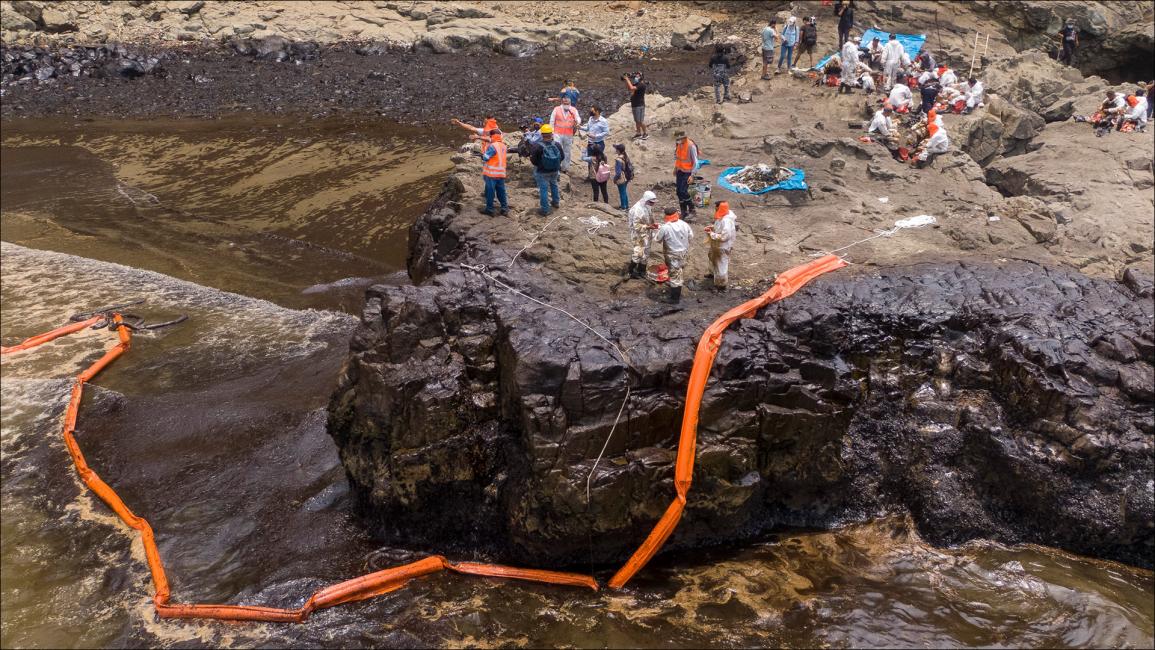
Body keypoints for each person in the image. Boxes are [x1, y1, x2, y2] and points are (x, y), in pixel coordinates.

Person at [652, 207, 693, 303]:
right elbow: (691, 236)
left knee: (674, 276)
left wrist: (656, 231)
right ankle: (677, 288)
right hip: (684, 252)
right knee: (679, 270)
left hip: (672, 254)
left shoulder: (665, 227)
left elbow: (657, 239)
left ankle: (675, 299)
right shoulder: (684, 224)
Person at [529, 124, 564, 216]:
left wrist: (539, 165)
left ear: (542, 134)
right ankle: (556, 202)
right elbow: (562, 157)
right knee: (554, 185)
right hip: (554, 170)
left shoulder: (537, 146)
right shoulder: (557, 144)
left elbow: (533, 160)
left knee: (543, 189)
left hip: (542, 171)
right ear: (551, 134)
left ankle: (545, 209)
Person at [705, 201, 736, 291]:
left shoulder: (727, 220)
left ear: (720, 208)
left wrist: (712, 234)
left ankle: (722, 285)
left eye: (716, 207)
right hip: (716, 243)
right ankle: (712, 273)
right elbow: (719, 226)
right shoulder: (723, 214)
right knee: (711, 256)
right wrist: (712, 227)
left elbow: (724, 236)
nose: (715, 209)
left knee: (721, 263)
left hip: (723, 245)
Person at [626, 190, 657, 278]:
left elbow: (650, 216)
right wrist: (649, 227)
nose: (653, 204)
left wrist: (653, 224)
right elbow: (636, 226)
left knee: (646, 252)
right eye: (651, 202)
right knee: (638, 253)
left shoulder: (647, 206)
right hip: (638, 234)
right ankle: (630, 272)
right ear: (646, 200)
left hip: (647, 232)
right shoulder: (637, 210)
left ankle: (641, 271)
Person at [479, 130, 509, 216]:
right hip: (501, 173)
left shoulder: (493, 146)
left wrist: (482, 155)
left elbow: (486, 157)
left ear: (492, 136)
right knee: (501, 191)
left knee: (490, 191)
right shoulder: (503, 146)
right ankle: (504, 208)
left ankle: (489, 209)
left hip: (491, 173)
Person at [549, 96, 581, 172]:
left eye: (567, 100)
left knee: (567, 151)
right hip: (557, 134)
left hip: (568, 134)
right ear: (562, 101)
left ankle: (565, 168)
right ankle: (556, 166)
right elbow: (552, 121)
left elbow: (578, 118)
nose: (566, 101)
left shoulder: (573, 110)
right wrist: (552, 133)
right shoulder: (556, 109)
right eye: (564, 100)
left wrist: (578, 122)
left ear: (570, 102)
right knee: (556, 150)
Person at [673, 130, 699, 221]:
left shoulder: (691, 146)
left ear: (683, 138)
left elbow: (696, 162)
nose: (677, 141)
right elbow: (678, 157)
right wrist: (675, 168)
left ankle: (692, 210)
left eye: (678, 139)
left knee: (684, 191)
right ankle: (683, 211)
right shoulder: (679, 144)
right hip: (680, 170)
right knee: (678, 192)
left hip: (688, 172)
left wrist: (692, 175)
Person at [624, 72, 648, 140]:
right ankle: (638, 133)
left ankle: (645, 133)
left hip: (639, 105)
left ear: (641, 77)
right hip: (635, 105)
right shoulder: (637, 84)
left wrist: (627, 79)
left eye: (637, 76)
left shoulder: (641, 85)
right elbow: (629, 88)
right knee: (637, 121)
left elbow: (631, 88)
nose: (635, 77)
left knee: (640, 121)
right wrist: (626, 80)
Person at [612, 143, 633, 210]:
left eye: (616, 149)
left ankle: (623, 207)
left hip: (622, 178)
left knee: (622, 192)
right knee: (624, 191)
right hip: (627, 176)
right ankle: (626, 206)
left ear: (618, 150)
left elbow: (618, 173)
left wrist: (614, 179)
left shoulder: (618, 160)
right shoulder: (625, 156)